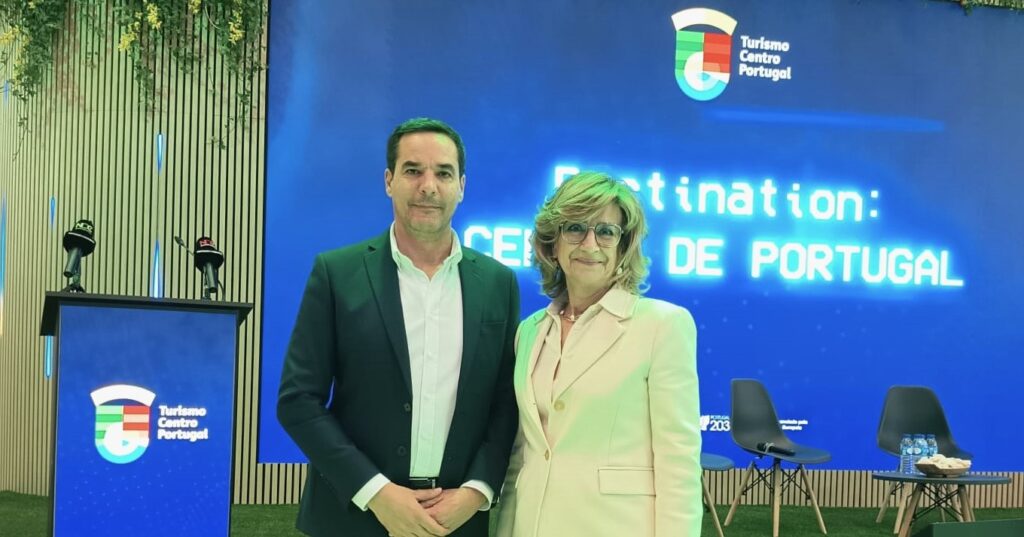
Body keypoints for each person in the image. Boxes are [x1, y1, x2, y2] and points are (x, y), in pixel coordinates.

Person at [278, 117, 520, 537]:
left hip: (456, 521)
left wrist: (477, 492)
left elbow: (506, 404)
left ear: (462, 186)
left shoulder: (498, 283)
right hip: (353, 518)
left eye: (443, 173)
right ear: (389, 181)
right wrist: (376, 493)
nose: (429, 186)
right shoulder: (337, 274)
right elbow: (298, 400)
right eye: (413, 170)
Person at [495, 171, 703, 537]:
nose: (590, 243)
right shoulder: (529, 331)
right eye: (575, 228)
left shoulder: (663, 325)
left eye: (606, 232)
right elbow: (523, 455)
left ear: (623, 247)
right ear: (552, 244)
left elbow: (678, 462)